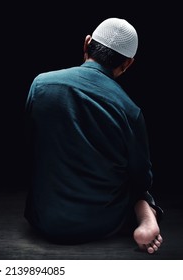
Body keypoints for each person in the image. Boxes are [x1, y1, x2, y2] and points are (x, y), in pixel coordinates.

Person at [23, 18, 164, 254]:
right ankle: (147, 211)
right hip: (101, 223)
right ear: (128, 63)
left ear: (86, 43)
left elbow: (30, 143)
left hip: (44, 220)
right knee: (139, 189)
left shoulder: (41, 85)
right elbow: (142, 179)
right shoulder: (130, 111)